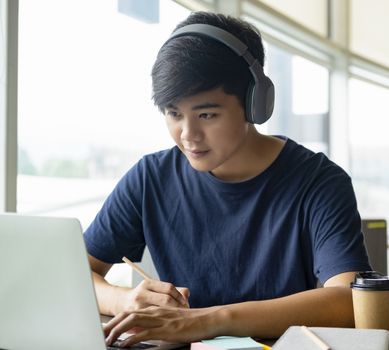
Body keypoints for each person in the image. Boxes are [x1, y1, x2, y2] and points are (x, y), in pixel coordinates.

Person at [85, 11, 371, 347]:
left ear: (255, 104)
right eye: (174, 114)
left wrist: (205, 320)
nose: (188, 135)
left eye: (207, 114)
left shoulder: (319, 182)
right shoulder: (150, 178)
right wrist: (126, 300)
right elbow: (74, 273)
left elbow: (347, 300)